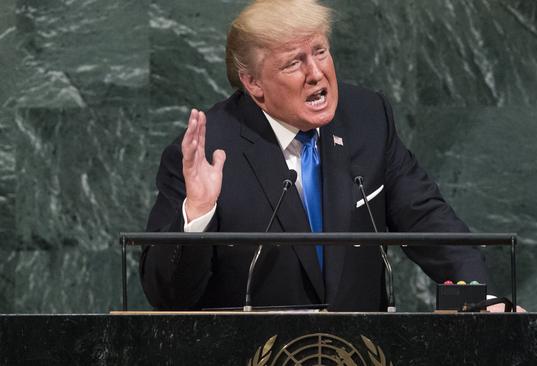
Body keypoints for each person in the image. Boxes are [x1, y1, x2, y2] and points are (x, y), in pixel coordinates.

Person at [140, 0, 492, 312]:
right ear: (254, 84)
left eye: (320, 51)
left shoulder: (368, 118)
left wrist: (480, 298)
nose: (316, 73)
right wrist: (198, 214)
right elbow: (168, 297)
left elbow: (426, 218)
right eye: (294, 63)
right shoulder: (208, 152)